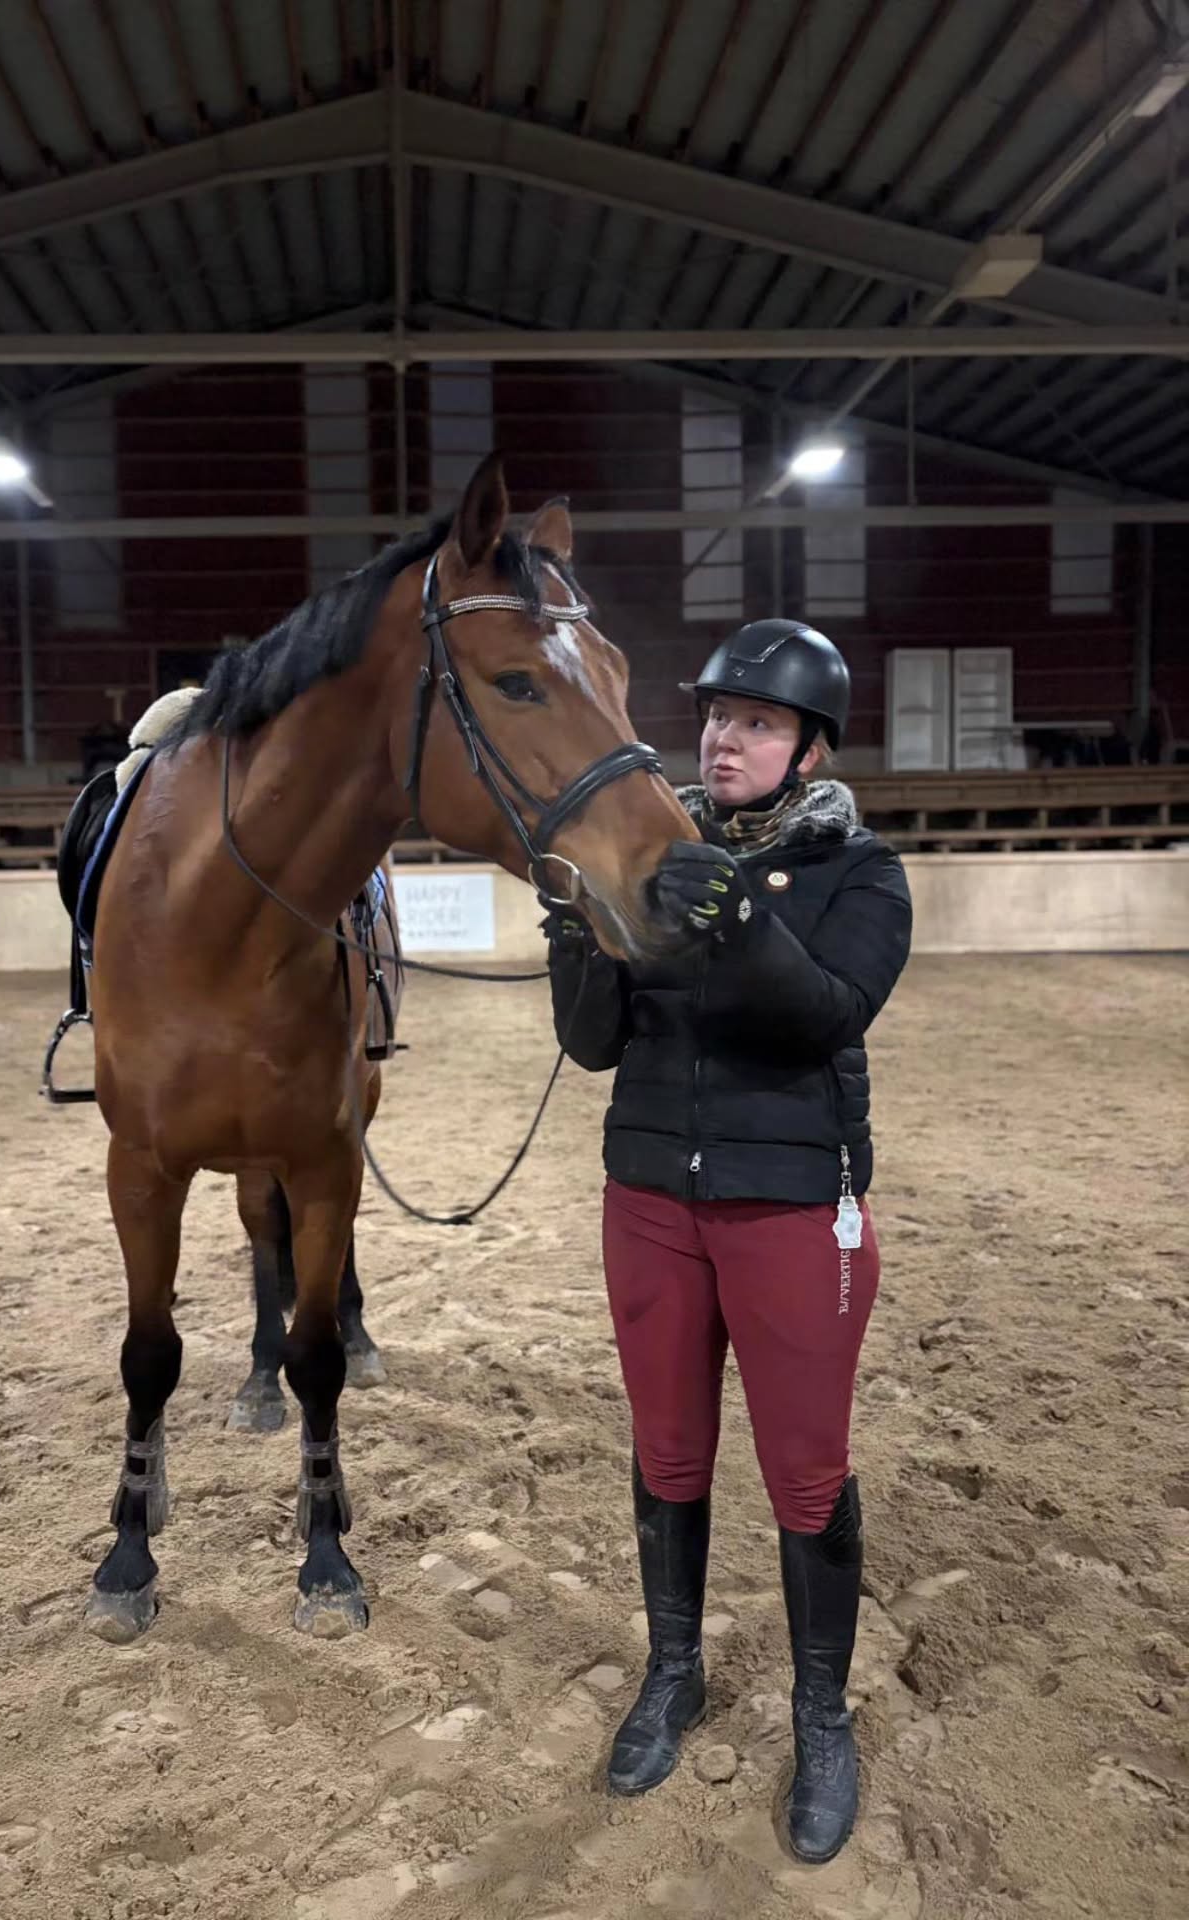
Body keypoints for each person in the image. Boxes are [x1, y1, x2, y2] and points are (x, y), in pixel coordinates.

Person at [542, 619, 912, 1863]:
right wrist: (577, 936)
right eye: (716, 716)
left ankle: (822, 1716)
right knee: (667, 1450)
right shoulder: (654, 859)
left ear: (810, 748)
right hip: (650, 1199)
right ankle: (674, 1671)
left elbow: (825, 1017)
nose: (725, 738)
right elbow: (595, 1045)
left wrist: (741, 917)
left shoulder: (864, 873)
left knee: (804, 1471)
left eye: (758, 721)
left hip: (791, 1204)